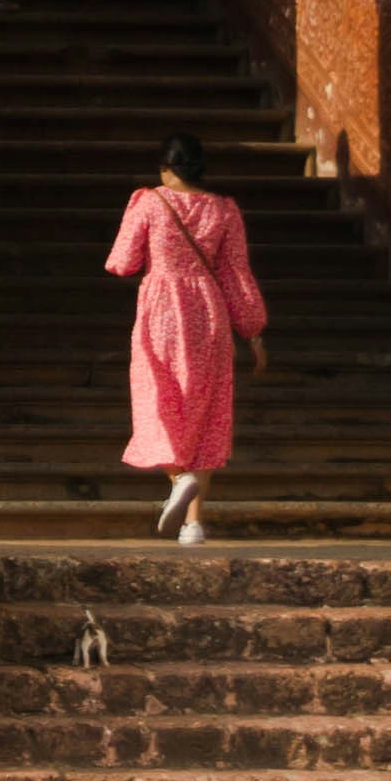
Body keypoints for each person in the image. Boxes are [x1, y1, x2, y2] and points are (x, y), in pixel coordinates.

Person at [109, 135, 268, 543]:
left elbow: (123, 262)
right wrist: (252, 331)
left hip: (162, 312)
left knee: (157, 405)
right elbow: (236, 273)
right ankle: (194, 524)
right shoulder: (224, 209)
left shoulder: (148, 202)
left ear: (165, 168)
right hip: (209, 315)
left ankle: (179, 479)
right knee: (206, 415)